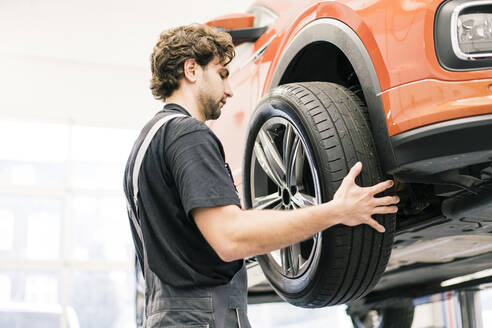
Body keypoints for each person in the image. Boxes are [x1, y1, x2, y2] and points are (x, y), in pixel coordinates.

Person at [123, 24, 399, 328]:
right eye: (222, 74)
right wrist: (335, 211)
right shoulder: (187, 135)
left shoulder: (145, 143)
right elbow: (231, 236)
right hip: (204, 319)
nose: (229, 90)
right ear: (192, 69)